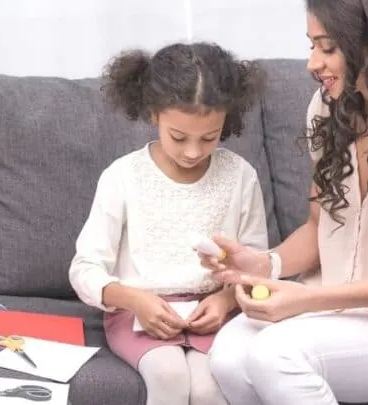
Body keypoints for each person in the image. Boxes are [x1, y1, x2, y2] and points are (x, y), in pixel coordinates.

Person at [199, 1, 368, 404]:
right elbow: (320, 227)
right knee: (228, 355)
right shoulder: (326, 109)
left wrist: (306, 300)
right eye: (312, 46)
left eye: (327, 47)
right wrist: (264, 264)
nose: (313, 63)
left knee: (276, 354)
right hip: (331, 312)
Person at [68, 42, 268, 405]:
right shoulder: (123, 176)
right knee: (168, 374)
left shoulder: (240, 175)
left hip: (214, 313)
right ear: (153, 114)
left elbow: (256, 262)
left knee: (211, 387)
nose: (193, 151)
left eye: (209, 137)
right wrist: (134, 299)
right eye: (179, 137)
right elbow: (85, 268)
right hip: (139, 312)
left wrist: (225, 300)